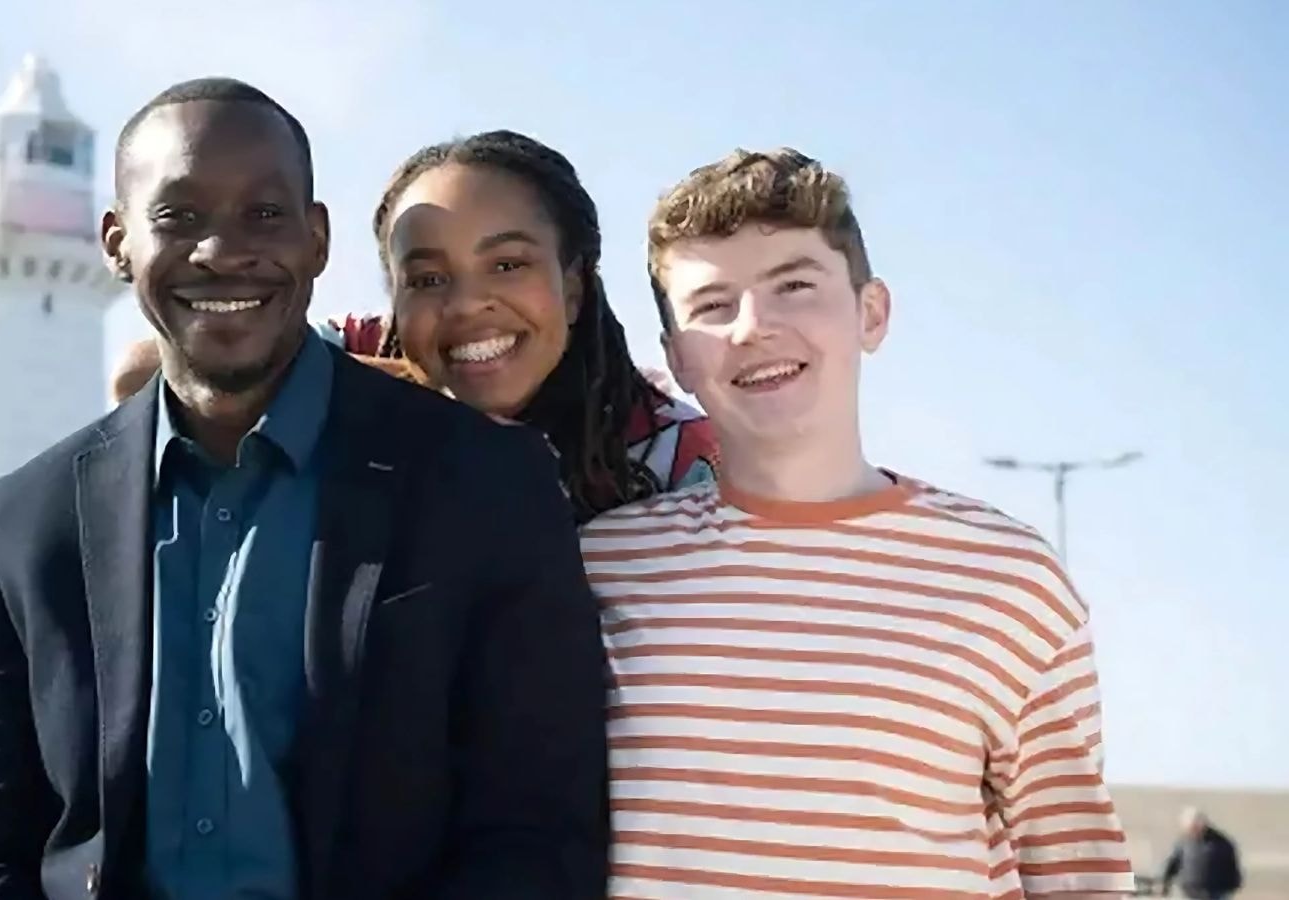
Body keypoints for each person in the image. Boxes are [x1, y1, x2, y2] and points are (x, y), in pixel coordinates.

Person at [0, 77, 608, 900]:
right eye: (177, 216)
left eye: (265, 215)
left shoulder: (489, 483)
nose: (222, 250)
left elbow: (537, 840)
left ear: (317, 239)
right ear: (116, 240)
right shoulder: (18, 524)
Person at [580, 147, 1136, 898]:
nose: (753, 327)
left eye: (795, 286)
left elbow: (1079, 874)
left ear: (871, 314)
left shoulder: (1011, 580)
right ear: (678, 358)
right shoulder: (602, 566)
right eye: (713, 305)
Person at [348, 129, 719, 521]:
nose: (467, 305)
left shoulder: (679, 460)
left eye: (507, 265)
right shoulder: (343, 360)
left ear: (574, 285)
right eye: (427, 279)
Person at [1161, 807, 1243, 898]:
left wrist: (1234, 885)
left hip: (1216, 894)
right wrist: (1164, 882)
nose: (1193, 831)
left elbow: (1232, 866)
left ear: (1202, 824)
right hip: (1189, 894)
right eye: (1190, 828)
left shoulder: (1221, 843)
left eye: (1195, 827)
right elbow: (1172, 863)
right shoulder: (1183, 843)